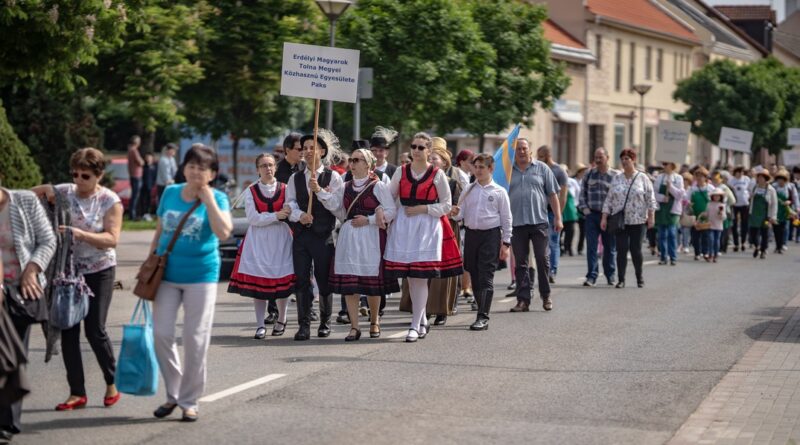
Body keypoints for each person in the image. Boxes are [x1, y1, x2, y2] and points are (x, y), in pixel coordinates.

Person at [32, 148, 124, 411]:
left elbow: (112, 238)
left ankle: (111, 382)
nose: (79, 180)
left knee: (95, 329)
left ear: (99, 175)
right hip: (68, 271)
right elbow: (26, 196)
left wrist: (79, 234)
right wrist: (47, 188)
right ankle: (77, 392)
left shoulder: (109, 200)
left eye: (85, 175)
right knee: (68, 328)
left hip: (100, 268)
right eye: (75, 174)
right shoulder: (64, 191)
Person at [149, 144, 232, 422]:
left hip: (201, 276)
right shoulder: (171, 193)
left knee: (195, 340)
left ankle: (189, 400)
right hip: (166, 276)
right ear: (183, 168)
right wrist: (149, 265)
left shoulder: (218, 198)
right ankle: (173, 393)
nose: (195, 172)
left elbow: (223, 233)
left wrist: (208, 200)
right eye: (191, 166)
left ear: (212, 173)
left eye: (202, 168)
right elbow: (160, 231)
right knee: (161, 334)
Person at [384, 132, 463, 342]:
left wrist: (423, 208)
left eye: (421, 147)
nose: (416, 151)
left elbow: (447, 204)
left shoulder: (437, 174)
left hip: (427, 226)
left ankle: (414, 324)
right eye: (414, 146)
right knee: (410, 278)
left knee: (420, 277)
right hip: (404, 226)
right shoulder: (401, 172)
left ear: (429, 151)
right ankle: (421, 321)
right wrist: (386, 214)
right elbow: (389, 197)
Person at [0, 187, 56, 440]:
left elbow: (48, 240)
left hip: (21, 290)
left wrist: (32, 269)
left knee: (11, 353)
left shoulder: (24, 200)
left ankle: (7, 421)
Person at [328, 148, 398, 341]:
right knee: (351, 285)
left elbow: (391, 211)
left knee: (371, 283)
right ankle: (354, 326)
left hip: (371, 237)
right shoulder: (344, 186)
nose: (352, 163)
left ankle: (375, 321)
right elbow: (337, 209)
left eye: (357, 160)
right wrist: (319, 192)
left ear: (368, 164)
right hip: (349, 237)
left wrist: (369, 220)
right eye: (351, 159)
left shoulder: (378, 186)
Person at [227, 154, 294, 339]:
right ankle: (260, 324)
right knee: (259, 284)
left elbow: (290, 210)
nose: (268, 169)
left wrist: (282, 215)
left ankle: (282, 319)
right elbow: (253, 218)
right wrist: (275, 216)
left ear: (275, 167)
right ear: (258, 169)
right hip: (258, 239)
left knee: (282, 281)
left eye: (271, 165)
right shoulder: (251, 190)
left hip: (280, 237)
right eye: (264, 165)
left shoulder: (285, 188)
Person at [285, 130, 344, 341]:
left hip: (323, 235)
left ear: (322, 151)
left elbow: (338, 207)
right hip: (302, 236)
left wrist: (319, 190)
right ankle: (303, 325)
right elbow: (289, 203)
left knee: (323, 278)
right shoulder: (295, 178)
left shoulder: (333, 176)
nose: (308, 152)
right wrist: (300, 215)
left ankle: (325, 321)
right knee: (301, 279)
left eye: (312, 148)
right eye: (305, 149)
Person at [450, 154, 512, 331]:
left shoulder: (499, 192)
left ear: (491, 169)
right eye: (476, 167)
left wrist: (506, 243)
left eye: (482, 167)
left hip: (490, 236)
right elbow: (460, 215)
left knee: (486, 276)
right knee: (474, 274)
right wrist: (453, 212)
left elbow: (507, 219)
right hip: (471, 236)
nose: (478, 170)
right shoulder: (469, 189)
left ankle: (483, 316)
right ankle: (481, 307)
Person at [508, 138, 562, 312]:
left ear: (530, 150)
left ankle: (546, 296)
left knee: (542, 259)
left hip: (539, 221)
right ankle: (523, 300)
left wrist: (558, 218)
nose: (521, 151)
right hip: (516, 223)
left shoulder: (542, 168)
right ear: (514, 152)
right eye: (518, 149)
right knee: (521, 263)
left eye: (524, 148)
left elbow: (553, 194)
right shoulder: (508, 171)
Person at [601, 149, 657, 288]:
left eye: (627, 158)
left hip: (638, 220)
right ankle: (621, 279)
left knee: (635, 249)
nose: (625, 161)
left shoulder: (642, 177)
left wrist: (651, 217)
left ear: (633, 160)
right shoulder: (617, 178)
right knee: (621, 249)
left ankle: (639, 277)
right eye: (623, 159)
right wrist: (604, 217)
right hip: (620, 220)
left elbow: (650, 198)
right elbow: (609, 199)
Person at [426, 138, 462, 325]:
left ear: (444, 162)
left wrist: (453, 211)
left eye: (435, 159)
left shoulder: (453, 182)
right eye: (429, 158)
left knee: (442, 270)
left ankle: (441, 309)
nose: (431, 161)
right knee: (424, 268)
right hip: (425, 227)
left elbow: (457, 208)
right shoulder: (421, 180)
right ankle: (422, 308)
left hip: (445, 227)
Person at [271, 132, 305, 325]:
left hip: (300, 225)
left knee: (302, 270)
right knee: (275, 268)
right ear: (287, 150)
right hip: (281, 225)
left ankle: (305, 308)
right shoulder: (276, 171)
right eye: (299, 149)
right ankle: (273, 310)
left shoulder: (305, 169)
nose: (303, 152)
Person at [579, 148, 619, 287]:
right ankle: (592, 276)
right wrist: (585, 210)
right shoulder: (589, 174)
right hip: (592, 215)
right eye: (596, 157)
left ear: (607, 157)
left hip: (610, 216)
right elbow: (582, 194)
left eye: (600, 157)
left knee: (610, 247)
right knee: (591, 247)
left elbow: (620, 197)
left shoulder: (616, 175)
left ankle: (610, 275)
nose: (597, 159)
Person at [536, 146, 568, 284]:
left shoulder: (559, 171)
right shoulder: (538, 169)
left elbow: (563, 195)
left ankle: (552, 270)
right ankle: (544, 269)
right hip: (539, 212)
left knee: (553, 242)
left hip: (552, 212)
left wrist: (558, 215)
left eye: (540, 156)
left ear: (547, 156)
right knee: (542, 244)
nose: (538, 159)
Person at [653, 162, 684, 265]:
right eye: (664, 164)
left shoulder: (678, 178)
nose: (665, 166)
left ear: (672, 165)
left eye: (667, 164)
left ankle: (673, 257)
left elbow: (680, 195)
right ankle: (663, 257)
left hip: (673, 210)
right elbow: (654, 193)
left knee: (671, 233)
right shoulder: (660, 178)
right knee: (662, 234)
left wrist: (671, 187)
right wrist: (662, 198)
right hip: (662, 209)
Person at [748, 169, 777, 259]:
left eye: (762, 177)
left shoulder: (771, 190)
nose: (760, 179)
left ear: (765, 179)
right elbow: (748, 197)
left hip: (765, 215)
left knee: (765, 233)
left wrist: (773, 217)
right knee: (753, 233)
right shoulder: (754, 187)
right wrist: (750, 197)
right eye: (759, 177)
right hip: (754, 214)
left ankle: (763, 250)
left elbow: (774, 204)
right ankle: (757, 246)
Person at [689, 167, 715, 261]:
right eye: (698, 176)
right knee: (695, 235)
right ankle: (697, 253)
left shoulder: (710, 188)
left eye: (702, 176)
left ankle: (705, 252)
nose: (699, 178)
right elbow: (687, 199)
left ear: (705, 177)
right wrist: (688, 204)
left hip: (707, 216)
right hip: (695, 215)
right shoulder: (692, 189)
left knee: (706, 235)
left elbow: (717, 198)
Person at [729, 166, 751, 252]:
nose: (740, 173)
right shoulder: (731, 180)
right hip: (735, 204)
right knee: (734, 224)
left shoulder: (746, 179)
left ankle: (743, 242)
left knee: (744, 224)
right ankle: (736, 243)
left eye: (742, 171)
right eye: (738, 171)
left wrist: (749, 197)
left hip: (744, 204)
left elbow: (750, 189)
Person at [773, 168, 795, 254]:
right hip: (775, 211)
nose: (780, 181)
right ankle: (778, 245)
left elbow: (793, 198)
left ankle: (782, 245)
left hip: (785, 211)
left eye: (782, 179)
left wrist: (789, 202)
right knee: (776, 229)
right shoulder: (773, 187)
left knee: (784, 228)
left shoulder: (789, 188)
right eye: (779, 179)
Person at [704, 189, 727, 263]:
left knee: (716, 241)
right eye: (715, 196)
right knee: (711, 240)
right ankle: (710, 254)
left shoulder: (722, 205)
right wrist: (704, 215)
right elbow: (706, 213)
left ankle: (715, 255)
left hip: (718, 225)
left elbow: (724, 217)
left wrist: (721, 213)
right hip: (710, 224)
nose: (716, 197)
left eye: (718, 196)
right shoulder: (709, 204)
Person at [562, 164, 580, 257]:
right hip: (561, 209)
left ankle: (568, 247)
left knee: (571, 230)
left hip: (570, 208)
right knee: (560, 231)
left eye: (565, 171)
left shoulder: (572, 181)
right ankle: (561, 248)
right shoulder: (556, 180)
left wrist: (576, 204)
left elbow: (578, 192)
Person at [127, 135, 144, 220]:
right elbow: (140, 162)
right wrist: (142, 161)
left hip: (132, 175)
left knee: (134, 195)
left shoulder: (130, 150)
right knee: (135, 196)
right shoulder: (134, 150)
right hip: (136, 175)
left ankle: (133, 214)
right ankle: (132, 215)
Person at [573, 163, 588, 255]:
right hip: (574, 206)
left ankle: (580, 248)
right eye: (582, 171)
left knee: (583, 229)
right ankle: (567, 246)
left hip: (581, 207)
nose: (583, 173)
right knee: (570, 228)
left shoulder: (585, 181)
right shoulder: (572, 181)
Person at [141, 152, 158, 220]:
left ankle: (148, 213)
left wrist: (153, 184)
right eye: (147, 157)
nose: (148, 159)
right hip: (143, 186)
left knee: (149, 200)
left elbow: (155, 176)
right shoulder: (143, 166)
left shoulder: (155, 166)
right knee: (143, 200)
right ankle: (143, 213)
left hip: (151, 186)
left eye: (149, 157)